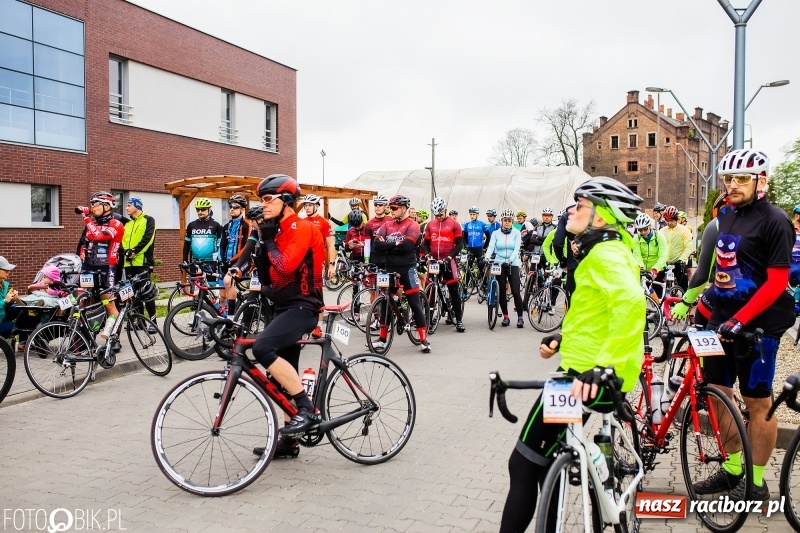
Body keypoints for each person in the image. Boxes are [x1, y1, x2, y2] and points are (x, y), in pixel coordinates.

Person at [499, 177, 645, 532]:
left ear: (599, 217)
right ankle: (594, 470)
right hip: (591, 369)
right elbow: (599, 314)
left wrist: (603, 366)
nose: (570, 211)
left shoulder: (605, 255)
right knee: (547, 464)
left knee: (522, 465)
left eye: (579, 205)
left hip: (586, 377)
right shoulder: (604, 250)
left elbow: (630, 305)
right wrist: (563, 337)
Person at [691, 149, 795, 501]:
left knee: (757, 404)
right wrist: (704, 310)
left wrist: (741, 319)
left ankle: (757, 482)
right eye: (728, 179)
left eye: (742, 179)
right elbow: (723, 274)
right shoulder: (727, 215)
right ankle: (734, 468)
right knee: (718, 394)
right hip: (722, 322)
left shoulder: (775, 220)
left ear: (760, 181)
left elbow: (778, 281)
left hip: (758, 327)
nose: (732, 185)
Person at [229, 175, 325, 459]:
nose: (263, 205)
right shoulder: (275, 230)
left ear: (286, 201)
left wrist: (269, 240)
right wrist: (243, 262)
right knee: (282, 374)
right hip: (283, 307)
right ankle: (289, 442)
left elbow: (284, 268)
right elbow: (266, 273)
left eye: (268, 199)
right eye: (261, 199)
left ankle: (306, 409)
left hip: (304, 306)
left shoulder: (302, 227)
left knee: (262, 348)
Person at [371, 195, 430, 353]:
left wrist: (388, 245)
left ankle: (423, 339)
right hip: (389, 267)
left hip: (408, 268)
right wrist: (395, 243)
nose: (391, 211)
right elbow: (377, 244)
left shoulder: (413, 225)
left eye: (394, 208)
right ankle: (382, 339)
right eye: (390, 208)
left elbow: (406, 246)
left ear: (404, 208)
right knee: (385, 302)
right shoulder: (387, 224)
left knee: (414, 303)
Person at [76, 191, 125, 351]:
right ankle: (83, 338)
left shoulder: (116, 224)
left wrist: (86, 218)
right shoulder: (93, 223)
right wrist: (82, 250)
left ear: (106, 206)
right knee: (81, 302)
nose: (92, 207)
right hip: (88, 268)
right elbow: (86, 240)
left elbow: (99, 236)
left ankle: (114, 337)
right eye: (91, 204)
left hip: (106, 269)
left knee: (109, 305)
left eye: (95, 203)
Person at [423, 197, 465, 332]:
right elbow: (425, 244)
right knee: (430, 290)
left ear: (445, 211)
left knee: (453, 291)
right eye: (436, 215)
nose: (439, 217)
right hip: (434, 261)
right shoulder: (430, 225)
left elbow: (459, 244)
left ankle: (458, 320)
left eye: (441, 214)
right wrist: (427, 255)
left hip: (448, 261)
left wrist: (449, 257)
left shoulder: (454, 224)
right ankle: (428, 318)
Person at [486, 209, 524, 328]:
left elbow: (516, 249)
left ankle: (520, 318)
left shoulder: (517, 233)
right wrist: (486, 258)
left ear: (512, 221)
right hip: (499, 263)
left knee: (516, 292)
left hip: (512, 264)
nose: (507, 222)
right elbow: (491, 247)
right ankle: (506, 317)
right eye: (505, 220)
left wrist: (509, 261)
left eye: (509, 220)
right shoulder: (495, 233)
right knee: (501, 291)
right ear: (501, 221)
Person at [121, 197, 157, 324]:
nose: (126, 208)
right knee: (134, 294)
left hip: (142, 262)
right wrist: (126, 251)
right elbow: (123, 241)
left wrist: (134, 251)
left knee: (146, 292)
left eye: (129, 205)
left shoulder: (148, 220)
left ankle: (153, 322)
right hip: (128, 263)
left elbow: (148, 239)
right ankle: (140, 322)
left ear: (137, 206)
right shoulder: (128, 224)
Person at [632, 213, 668, 296]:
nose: (643, 232)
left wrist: (655, 269)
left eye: (645, 229)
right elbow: (637, 255)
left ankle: (660, 307)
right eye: (640, 230)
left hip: (658, 269)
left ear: (650, 226)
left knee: (658, 294)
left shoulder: (659, 237)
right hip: (643, 270)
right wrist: (641, 267)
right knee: (641, 294)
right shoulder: (636, 238)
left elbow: (663, 256)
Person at [659, 205, 693, 291]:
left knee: (683, 288)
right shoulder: (662, 231)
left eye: (671, 220)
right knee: (658, 285)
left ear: (676, 219)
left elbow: (689, 247)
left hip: (678, 262)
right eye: (667, 221)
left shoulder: (684, 230)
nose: (669, 223)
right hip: (664, 263)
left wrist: (681, 259)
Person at [552, 207, 577, 301]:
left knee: (572, 303)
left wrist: (562, 261)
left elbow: (557, 243)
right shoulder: (603, 214)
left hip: (574, 264)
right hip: (598, 266)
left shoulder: (567, 215)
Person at [463, 205, 490, 273]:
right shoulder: (467, 224)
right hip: (470, 248)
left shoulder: (482, 224)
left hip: (479, 248)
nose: (472, 216)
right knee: (468, 269)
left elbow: (488, 236)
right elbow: (464, 236)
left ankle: (483, 283)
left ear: (477, 215)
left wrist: (485, 246)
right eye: (471, 214)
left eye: (474, 214)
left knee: (481, 268)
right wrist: (466, 245)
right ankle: (467, 283)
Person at [0, 256, 22, 339]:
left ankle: (23, 342)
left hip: (1, 317)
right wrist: (5, 300)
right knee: (17, 326)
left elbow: (4, 305)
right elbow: (3, 302)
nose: (9, 272)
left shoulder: (4, 284)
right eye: (6, 270)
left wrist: (12, 300)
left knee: (21, 310)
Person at [364, 195, 390, 265]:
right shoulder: (369, 224)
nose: (377, 206)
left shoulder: (392, 220)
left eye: (380, 205)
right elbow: (367, 244)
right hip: (375, 257)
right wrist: (366, 260)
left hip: (389, 256)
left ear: (385, 207)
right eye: (376, 205)